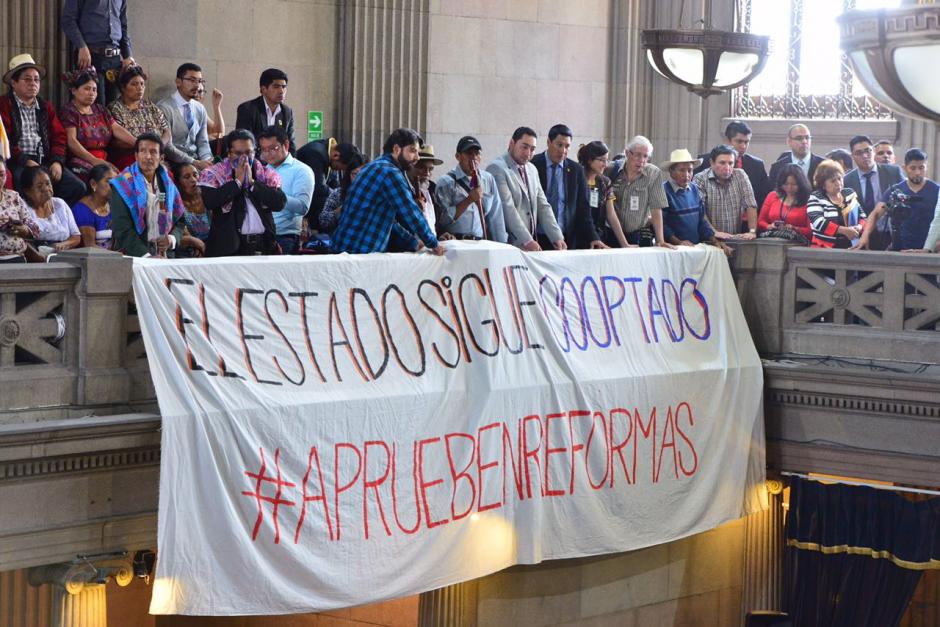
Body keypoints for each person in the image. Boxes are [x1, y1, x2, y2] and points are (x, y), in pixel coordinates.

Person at [330, 128, 442, 255]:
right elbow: (410, 212)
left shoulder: (374, 166)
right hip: (359, 254)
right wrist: (433, 243)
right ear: (396, 149)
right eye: (412, 151)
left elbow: (389, 221)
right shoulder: (390, 172)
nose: (417, 157)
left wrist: (414, 243)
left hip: (347, 249)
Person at [0, 54, 87, 207]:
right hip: (18, 162)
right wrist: (25, 160)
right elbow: (4, 139)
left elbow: (59, 136)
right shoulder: (4, 105)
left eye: (36, 79)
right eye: (27, 79)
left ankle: (58, 222)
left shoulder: (45, 106)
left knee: (77, 187)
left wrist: (57, 162)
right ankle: (29, 225)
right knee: (22, 184)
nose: (33, 83)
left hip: (46, 160)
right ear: (13, 82)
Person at [199, 129, 287, 257]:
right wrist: (237, 183)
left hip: (263, 247)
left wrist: (252, 183)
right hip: (228, 251)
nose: (244, 158)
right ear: (229, 153)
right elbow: (210, 202)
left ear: (254, 152)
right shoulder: (213, 174)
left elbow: (280, 203)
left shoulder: (265, 174)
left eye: (248, 152)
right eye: (238, 153)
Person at [486, 126, 566, 251]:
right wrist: (527, 240)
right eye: (524, 147)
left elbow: (542, 205)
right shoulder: (497, 168)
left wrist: (557, 237)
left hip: (529, 242)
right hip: (507, 244)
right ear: (511, 143)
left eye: (532, 149)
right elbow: (508, 209)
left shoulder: (532, 169)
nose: (528, 153)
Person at [110, 132, 185, 257]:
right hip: (135, 257)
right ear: (136, 156)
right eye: (143, 151)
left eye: (153, 152)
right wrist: (147, 256)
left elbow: (181, 220)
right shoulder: (122, 184)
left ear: (161, 158)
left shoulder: (168, 184)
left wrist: (171, 239)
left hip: (165, 256)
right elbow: (122, 228)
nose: (148, 156)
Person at [530, 124, 604, 249]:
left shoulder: (576, 171)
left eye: (567, 146)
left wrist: (594, 237)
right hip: (537, 237)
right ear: (549, 142)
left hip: (566, 239)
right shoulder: (533, 165)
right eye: (559, 145)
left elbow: (584, 208)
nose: (563, 150)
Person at [59, 67, 135, 181]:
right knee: (106, 179)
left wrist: (139, 143)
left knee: (131, 173)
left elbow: (116, 129)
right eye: (87, 89)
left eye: (94, 90)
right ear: (74, 90)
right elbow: (72, 141)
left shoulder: (100, 110)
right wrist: (94, 160)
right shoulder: (69, 111)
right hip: (80, 159)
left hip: (104, 157)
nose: (91, 93)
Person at [857, 149, 940, 253]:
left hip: (928, 250)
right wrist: (864, 236)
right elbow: (875, 214)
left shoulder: (937, 190)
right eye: (913, 168)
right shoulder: (895, 190)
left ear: (927, 167)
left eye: (921, 168)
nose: (918, 172)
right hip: (900, 249)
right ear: (904, 168)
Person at [435, 135, 507, 243]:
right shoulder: (446, 182)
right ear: (458, 156)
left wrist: (501, 245)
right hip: (455, 242)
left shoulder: (488, 179)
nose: (474, 157)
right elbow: (442, 220)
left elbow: (496, 217)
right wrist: (469, 200)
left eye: (477, 153)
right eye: (469, 153)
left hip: (480, 242)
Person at [61, 0, 134, 105]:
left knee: (114, 107)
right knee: (96, 104)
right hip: (91, 56)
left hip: (115, 60)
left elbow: (123, 26)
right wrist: (81, 46)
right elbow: (68, 20)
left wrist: (128, 55)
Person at [660, 148, 729, 256]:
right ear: (671, 172)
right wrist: (679, 242)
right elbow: (662, 225)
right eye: (682, 170)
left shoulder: (694, 189)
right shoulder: (663, 191)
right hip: (672, 251)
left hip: (695, 248)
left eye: (690, 170)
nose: (687, 174)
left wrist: (715, 241)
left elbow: (701, 221)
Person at [257, 125, 313, 254]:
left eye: (272, 148)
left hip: (284, 236)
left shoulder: (301, 170)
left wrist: (275, 197)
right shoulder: (262, 169)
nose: (267, 154)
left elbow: (302, 207)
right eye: (263, 149)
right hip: (260, 233)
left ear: (286, 145)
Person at [607, 136, 671, 247]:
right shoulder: (611, 169)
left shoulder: (653, 174)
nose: (642, 160)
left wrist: (660, 240)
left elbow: (656, 208)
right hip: (610, 233)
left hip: (636, 234)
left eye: (645, 156)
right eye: (637, 155)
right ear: (627, 153)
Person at [843, 134, 904, 251]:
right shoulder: (847, 180)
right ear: (852, 156)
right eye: (859, 153)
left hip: (891, 232)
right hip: (863, 235)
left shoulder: (893, 172)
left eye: (868, 151)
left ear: (873, 151)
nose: (865, 156)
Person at [107, 64, 170, 170]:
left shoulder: (150, 107)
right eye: (134, 84)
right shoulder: (115, 108)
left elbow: (166, 131)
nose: (140, 88)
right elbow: (116, 141)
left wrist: (159, 147)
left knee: (165, 175)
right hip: (130, 156)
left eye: (142, 84)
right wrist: (143, 148)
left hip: (155, 155)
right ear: (123, 87)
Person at [694, 120, 770, 206]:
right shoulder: (704, 162)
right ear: (727, 140)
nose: (743, 146)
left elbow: (763, 198)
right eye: (739, 141)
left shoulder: (757, 165)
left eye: (746, 142)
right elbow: (696, 198)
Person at [693, 144, 758, 240]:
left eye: (730, 163)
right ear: (712, 162)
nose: (727, 167)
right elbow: (700, 211)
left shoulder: (740, 175)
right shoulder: (700, 178)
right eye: (722, 163)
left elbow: (751, 205)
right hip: (709, 238)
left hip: (735, 238)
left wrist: (752, 231)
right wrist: (714, 232)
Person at [157, 63, 213, 170]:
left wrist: (208, 161)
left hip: (196, 161)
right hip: (174, 162)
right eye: (192, 80)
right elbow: (168, 147)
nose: (197, 85)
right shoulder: (164, 108)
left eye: (199, 81)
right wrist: (194, 162)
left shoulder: (199, 108)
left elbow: (203, 142)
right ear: (178, 82)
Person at [577, 140, 629, 247]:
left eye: (607, 160)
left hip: (599, 237)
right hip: (576, 237)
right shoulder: (577, 178)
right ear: (590, 159)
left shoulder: (605, 182)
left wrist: (625, 244)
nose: (605, 165)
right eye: (602, 160)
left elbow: (611, 215)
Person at [20, 166, 81, 253]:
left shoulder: (60, 204)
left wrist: (64, 244)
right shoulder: (22, 207)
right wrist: (39, 256)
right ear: (27, 191)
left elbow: (76, 237)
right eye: (39, 186)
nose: (45, 189)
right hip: (35, 256)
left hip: (62, 254)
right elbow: (21, 238)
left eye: (48, 184)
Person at [236, 69, 295, 155]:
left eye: (284, 87)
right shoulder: (247, 109)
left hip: (279, 165)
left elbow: (291, 145)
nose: (281, 91)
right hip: (256, 162)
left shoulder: (287, 112)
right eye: (276, 86)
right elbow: (244, 145)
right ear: (263, 89)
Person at [806, 159, 863, 249]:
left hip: (852, 246)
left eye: (840, 178)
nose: (838, 183)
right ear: (823, 184)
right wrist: (844, 231)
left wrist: (859, 227)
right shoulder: (816, 197)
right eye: (833, 181)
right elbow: (818, 221)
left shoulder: (849, 193)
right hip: (824, 248)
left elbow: (862, 216)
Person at [757, 164, 812, 243]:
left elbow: (810, 231)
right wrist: (769, 226)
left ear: (801, 184)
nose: (789, 188)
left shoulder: (808, 200)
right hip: (772, 242)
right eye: (786, 184)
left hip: (797, 244)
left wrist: (794, 228)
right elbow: (760, 221)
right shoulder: (772, 196)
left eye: (794, 184)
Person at [0, 156, 41, 262]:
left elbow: (34, 227)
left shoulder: (13, 197)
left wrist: (24, 230)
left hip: (17, 257)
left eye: (1, 175)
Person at [318, 149, 366, 235]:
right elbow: (323, 221)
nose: (358, 179)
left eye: (363, 175)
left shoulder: (374, 194)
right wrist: (342, 209)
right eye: (355, 174)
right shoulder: (338, 193)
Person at [72, 163, 117, 249]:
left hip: (112, 257)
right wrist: (117, 257)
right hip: (90, 260)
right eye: (108, 181)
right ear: (93, 184)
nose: (113, 185)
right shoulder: (82, 210)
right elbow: (90, 246)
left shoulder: (114, 206)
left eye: (115, 181)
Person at [769, 123, 824, 190]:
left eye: (807, 138)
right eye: (799, 138)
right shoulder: (777, 167)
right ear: (789, 142)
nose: (804, 141)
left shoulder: (823, 165)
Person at [172, 162, 209, 257]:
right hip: (187, 254)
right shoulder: (176, 205)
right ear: (178, 183)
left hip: (211, 249)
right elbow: (179, 236)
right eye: (187, 177)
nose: (193, 180)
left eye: (195, 175)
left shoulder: (208, 199)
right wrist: (196, 244)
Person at [408, 144, 444, 237]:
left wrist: (441, 234)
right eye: (422, 167)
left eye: (430, 169)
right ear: (410, 166)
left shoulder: (432, 188)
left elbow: (435, 221)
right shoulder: (402, 188)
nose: (427, 173)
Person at [193, 83, 225, 153]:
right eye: (194, 91)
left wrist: (216, 106)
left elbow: (219, 134)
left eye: (200, 92)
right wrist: (207, 137)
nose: (197, 95)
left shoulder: (199, 110)